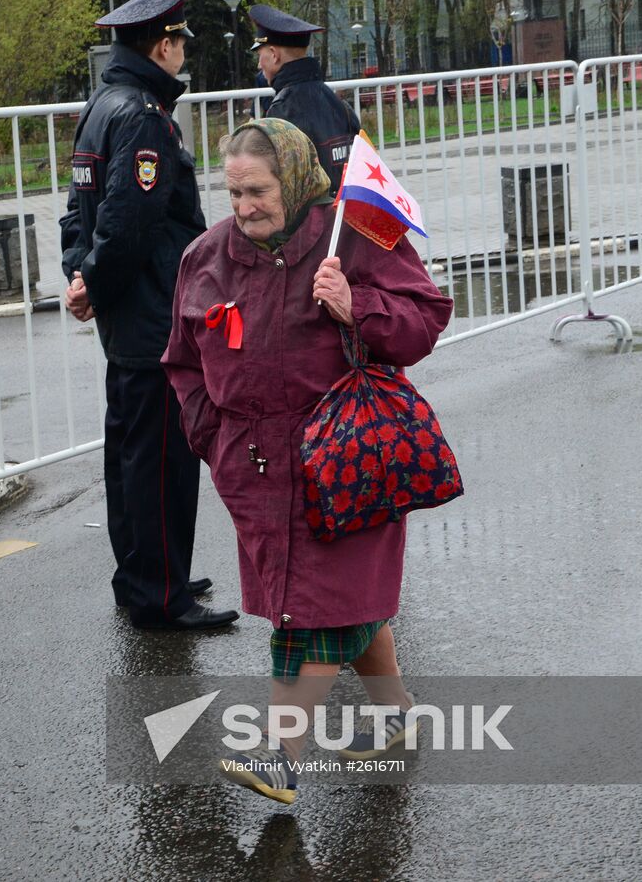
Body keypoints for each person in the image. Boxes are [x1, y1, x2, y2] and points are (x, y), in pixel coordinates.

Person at [162, 119, 453, 805]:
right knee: (343, 601)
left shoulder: (356, 235)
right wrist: (214, 440)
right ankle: (399, 718)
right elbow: (181, 364)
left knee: (313, 614)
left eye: (257, 191)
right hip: (255, 472)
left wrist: (359, 306)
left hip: (346, 462)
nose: (245, 207)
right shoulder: (205, 258)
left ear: (292, 181)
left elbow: (426, 318)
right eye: (233, 192)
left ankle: (280, 757)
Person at [59, 0, 237, 631]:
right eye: (180, 41)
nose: (184, 53)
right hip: (154, 311)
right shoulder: (140, 115)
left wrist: (82, 276)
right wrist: (97, 281)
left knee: (132, 451)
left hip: (127, 310)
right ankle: (162, 594)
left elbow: (78, 210)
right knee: (161, 457)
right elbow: (128, 222)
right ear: (162, 45)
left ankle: (142, 575)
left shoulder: (104, 103)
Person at [249, 4, 361, 193]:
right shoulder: (339, 105)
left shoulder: (281, 110)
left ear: (274, 55)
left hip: (310, 219)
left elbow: (283, 183)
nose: (260, 65)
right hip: (343, 213)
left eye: (261, 55)